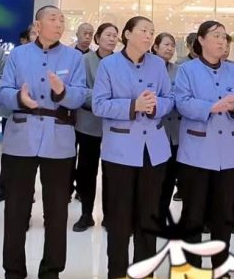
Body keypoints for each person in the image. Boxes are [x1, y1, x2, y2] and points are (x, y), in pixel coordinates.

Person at [0, 5, 88, 279]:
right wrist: (19, 98)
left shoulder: (74, 57)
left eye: (62, 20)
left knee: (57, 211)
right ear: (37, 25)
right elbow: (3, 91)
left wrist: (63, 91)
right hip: (21, 137)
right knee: (16, 209)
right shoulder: (19, 54)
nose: (59, 24)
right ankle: (13, 270)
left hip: (59, 139)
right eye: (53, 19)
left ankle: (51, 270)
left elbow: (80, 96)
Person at [92, 16, 174, 279]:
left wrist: (155, 106)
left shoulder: (158, 64)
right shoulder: (109, 65)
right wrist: (132, 106)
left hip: (154, 150)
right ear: (127, 34)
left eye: (152, 31)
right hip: (120, 151)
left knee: (149, 215)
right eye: (143, 31)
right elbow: (99, 105)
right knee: (119, 216)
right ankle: (117, 272)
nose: (149, 36)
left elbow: (169, 99)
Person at [173, 20, 234, 268]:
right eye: (215, 36)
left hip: (228, 152)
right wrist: (210, 107)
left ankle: (221, 265)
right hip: (196, 151)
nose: (221, 41)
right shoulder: (187, 70)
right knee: (193, 214)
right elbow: (181, 102)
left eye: (224, 37)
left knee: (224, 214)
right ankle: (191, 267)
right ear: (201, 40)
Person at [72, 22, 118, 232]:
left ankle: (110, 215)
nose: (112, 39)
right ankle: (86, 214)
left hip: (113, 126)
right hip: (88, 124)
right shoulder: (85, 60)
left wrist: (106, 101)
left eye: (115, 36)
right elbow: (80, 90)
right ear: (98, 38)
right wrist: (105, 101)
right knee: (86, 170)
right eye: (108, 35)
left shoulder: (120, 62)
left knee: (111, 172)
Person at [0, 28, 34, 204]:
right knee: (9, 154)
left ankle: (27, 191)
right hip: (13, 112)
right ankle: (3, 188)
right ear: (25, 39)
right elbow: (5, 85)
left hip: (35, 115)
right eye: (34, 34)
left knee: (30, 157)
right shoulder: (16, 56)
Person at [153, 33, 183, 210]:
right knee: (154, 178)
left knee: (170, 176)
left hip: (175, 132)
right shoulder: (149, 68)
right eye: (166, 44)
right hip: (155, 129)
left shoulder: (179, 70)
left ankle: (163, 214)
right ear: (155, 47)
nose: (170, 48)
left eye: (172, 45)